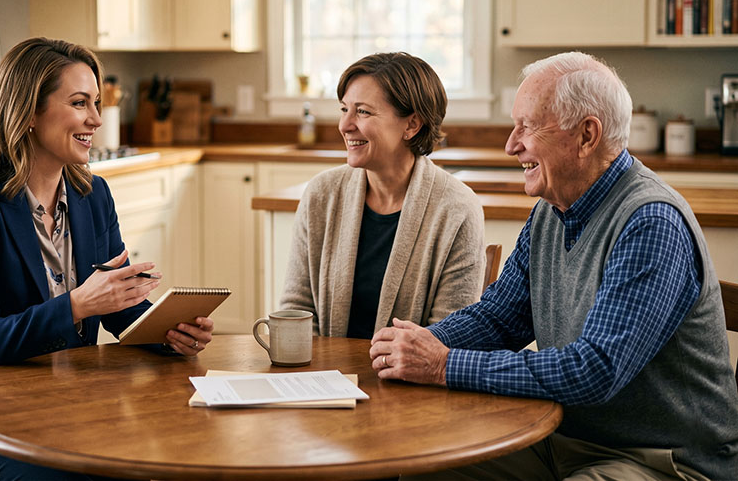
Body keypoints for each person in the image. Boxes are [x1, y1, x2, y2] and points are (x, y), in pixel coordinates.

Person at [370, 51, 738, 481]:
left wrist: (443, 364)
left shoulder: (650, 222)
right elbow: (499, 319)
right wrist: (411, 345)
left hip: (665, 460)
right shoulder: (552, 209)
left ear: (586, 135)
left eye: (528, 126)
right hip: (565, 439)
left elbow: (595, 369)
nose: (512, 144)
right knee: (423, 466)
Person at [0, 37, 214, 481]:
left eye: (96, 103)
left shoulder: (91, 194)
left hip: (55, 405)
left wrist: (169, 332)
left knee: (169, 450)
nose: (96, 119)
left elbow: (115, 307)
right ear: (27, 113)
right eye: (80, 103)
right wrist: (78, 304)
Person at [280, 52, 485, 339]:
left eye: (362, 111)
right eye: (344, 110)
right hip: (325, 376)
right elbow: (298, 313)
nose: (345, 125)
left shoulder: (457, 208)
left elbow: (447, 337)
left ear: (412, 125)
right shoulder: (321, 194)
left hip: (410, 379)